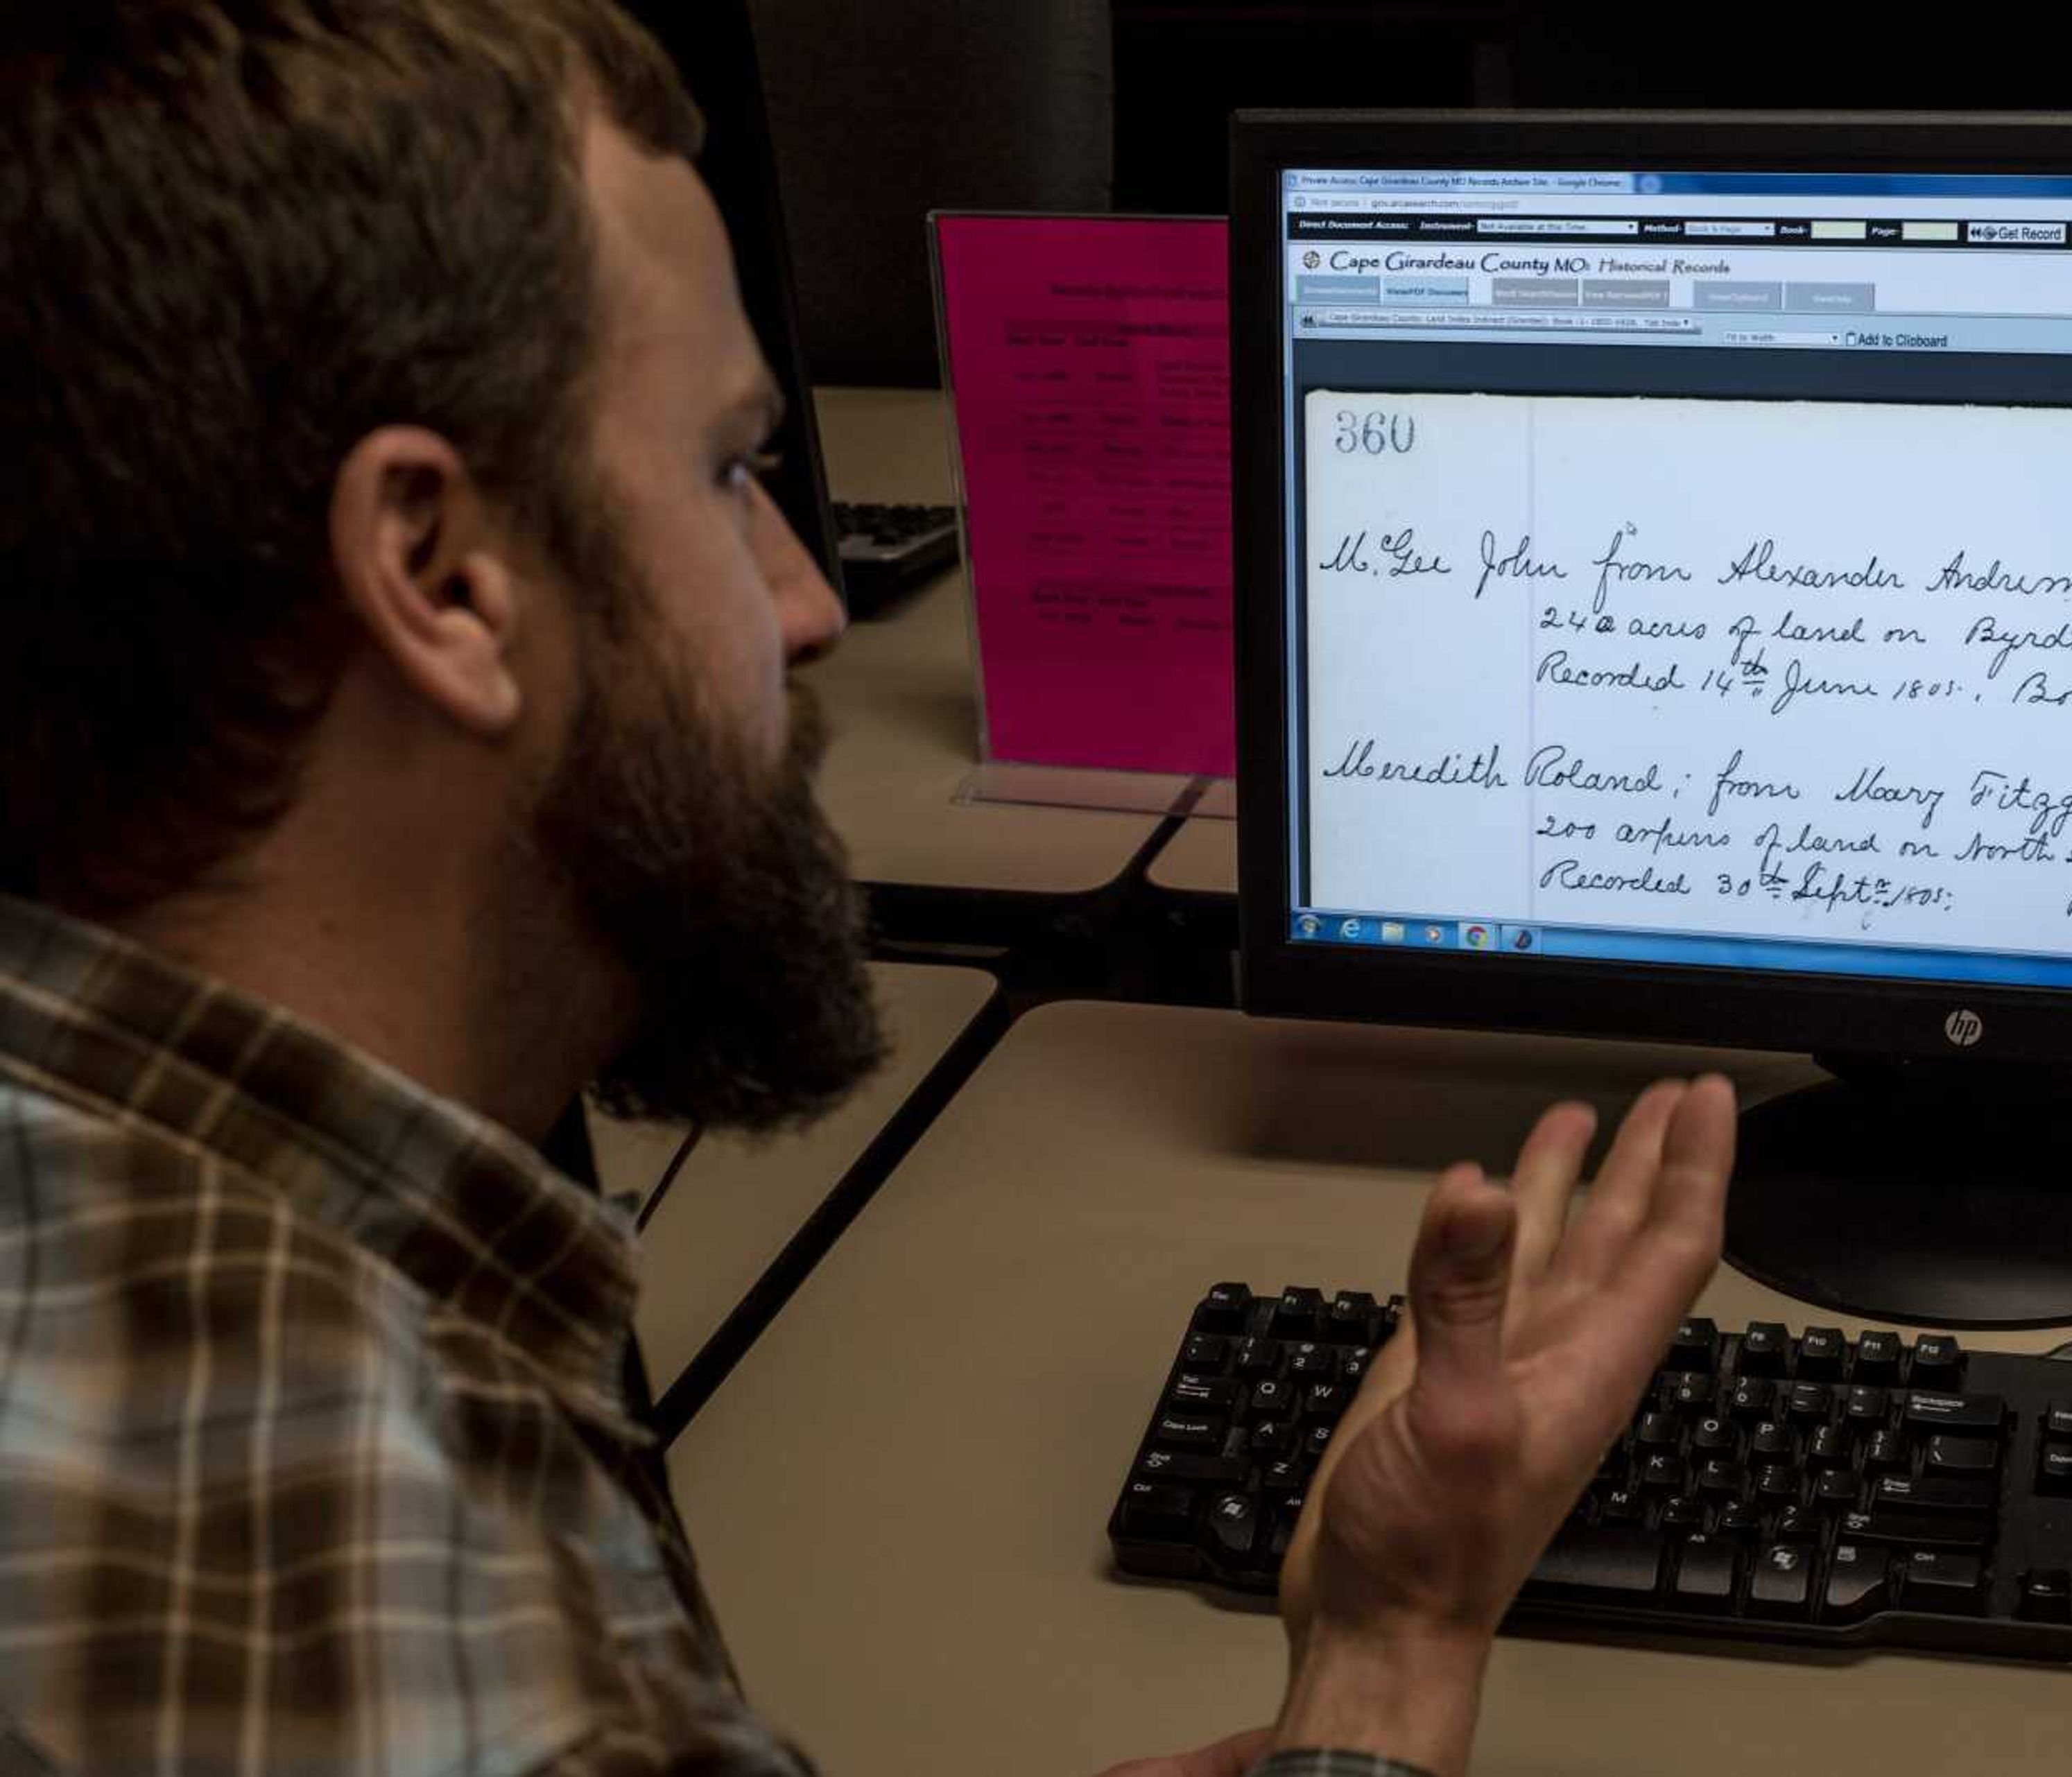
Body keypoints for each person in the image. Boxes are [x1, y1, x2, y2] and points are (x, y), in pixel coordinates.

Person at [0, 5, 1740, 1774]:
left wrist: (1363, 1656)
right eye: (726, 472)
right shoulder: (423, 1634)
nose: (815, 600)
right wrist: (1398, 1663)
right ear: (440, 577)